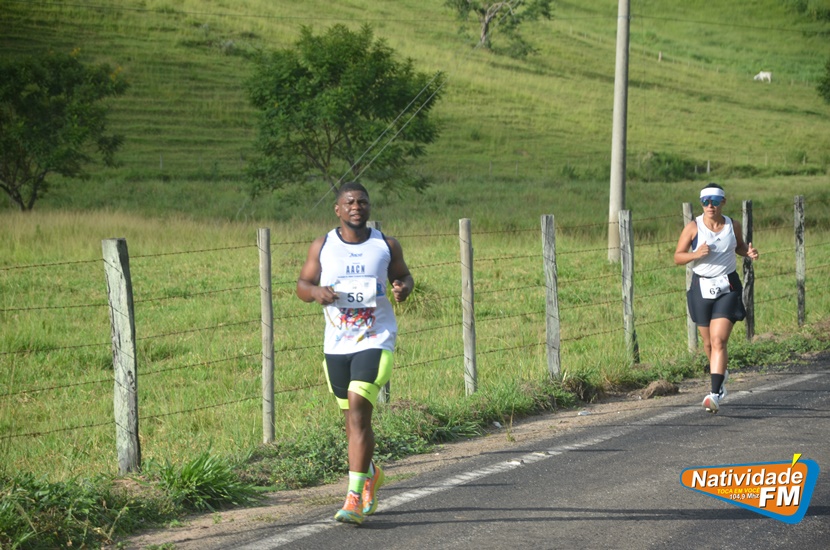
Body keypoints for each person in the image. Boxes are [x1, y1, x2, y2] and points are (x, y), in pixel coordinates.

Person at [296, 181, 413, 525]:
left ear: (369, 207)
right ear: (338, 209)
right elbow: (302, 285)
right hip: (336, 343)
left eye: (362, 202)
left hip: (376, 338)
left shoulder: (385, 245)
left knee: (359, 407)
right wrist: (315, 292)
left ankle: (352, 498)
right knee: (351, 420)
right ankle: (370, 474)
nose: (356, 207)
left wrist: (403, 288)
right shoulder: (323, 245)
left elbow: (404, 276)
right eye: (349, 202)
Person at [674, 183, 759, 414]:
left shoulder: (733, 225)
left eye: (714, 201)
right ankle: (720, 374)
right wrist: (695, 254)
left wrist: (748, 252)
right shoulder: (693, 227)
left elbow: (739, 246)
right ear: (701, 203)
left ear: (723, 202)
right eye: (705, 201)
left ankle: (714, 393)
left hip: (727, 287)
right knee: (708, 344)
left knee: (719, 340)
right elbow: (677, 257)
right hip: (701, 287)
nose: (710, 205)